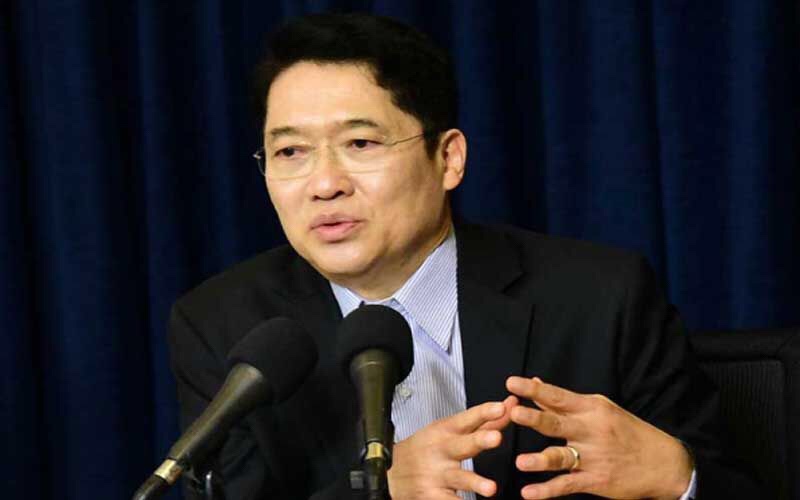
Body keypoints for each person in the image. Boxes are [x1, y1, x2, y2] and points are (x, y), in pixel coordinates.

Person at [169, 12, 758, 500]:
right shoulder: (225, 328)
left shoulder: (599, 299)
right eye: (291, 152)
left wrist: (679, 477)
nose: (324, 184)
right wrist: (378, 491)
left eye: (360, 143)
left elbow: (735, 485)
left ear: (448, 158)